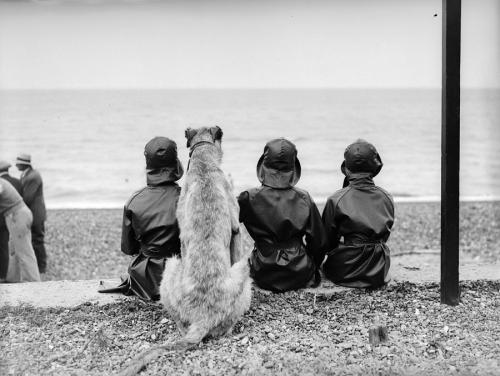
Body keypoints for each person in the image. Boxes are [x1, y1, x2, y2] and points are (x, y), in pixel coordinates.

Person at [99, 137, 184, 301]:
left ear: (148, 166)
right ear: (175, 165)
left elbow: (128, 248)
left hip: (145, 281)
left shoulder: (134, 201)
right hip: (181, 277)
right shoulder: (188, 199)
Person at [238, 138, 327, 292]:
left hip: (262, 271)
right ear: (293, 168)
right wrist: (313, 266)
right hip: (300, 271)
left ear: (264, 166)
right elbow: (319, 242)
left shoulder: (248, 197)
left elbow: (226, 228)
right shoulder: (304, 198)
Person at [322, 139, 395, 289]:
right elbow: (384, 235)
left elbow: (327, 242)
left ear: (346, 169)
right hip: (379, 269)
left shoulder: (336, 199)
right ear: (374, 167)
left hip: (346, 271)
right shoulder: (387, 196)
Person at [0, 178, 41, 282]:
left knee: (24, 251)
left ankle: (33, 282)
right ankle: (12, 280)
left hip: (17, 216)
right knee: (14, 250)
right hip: (19, 214)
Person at [16, 153, 47, 273]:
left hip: (36, 213)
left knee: (38, 239)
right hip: (34, 212)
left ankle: (41, 266)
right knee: (34, 239)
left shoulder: (33, 177)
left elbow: (28, 197)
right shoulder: (27, 174)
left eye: (18, 163)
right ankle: (37, 265)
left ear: (23, 164)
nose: (16, 165)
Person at [0, 161, 23, 282]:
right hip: (13, 217)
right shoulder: (17, 182)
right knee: (10, 248)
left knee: (3, 248)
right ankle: (9, 276)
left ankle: (4, 276)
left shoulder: (1, 183)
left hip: (5, 218)